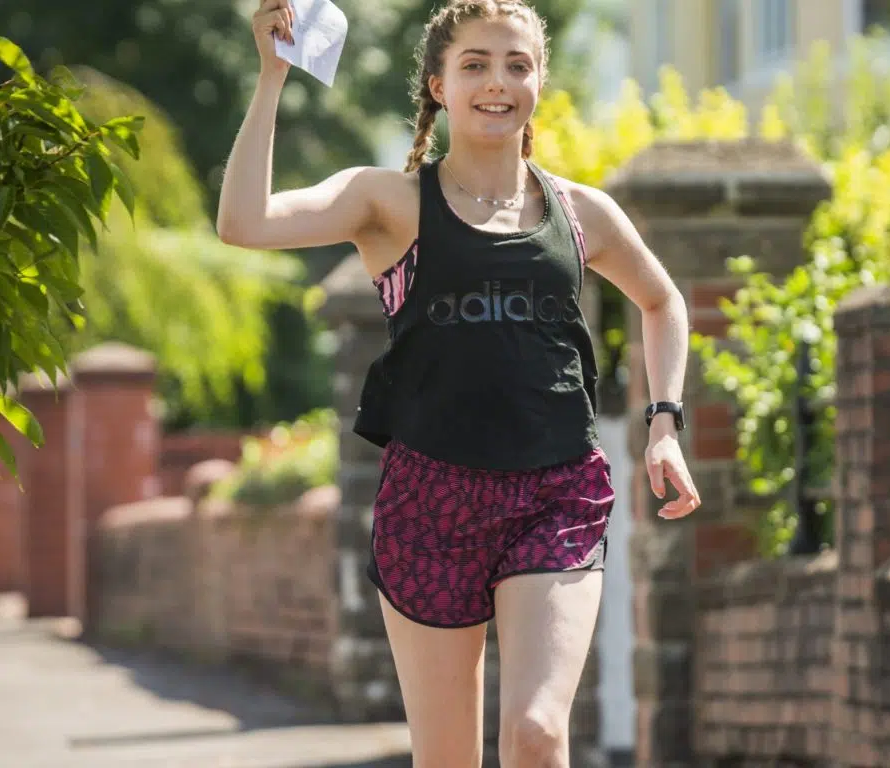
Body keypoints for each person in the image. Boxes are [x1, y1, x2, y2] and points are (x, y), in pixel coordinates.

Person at [218, 1, 701, 765]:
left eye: (516, 64)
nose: (496, 82)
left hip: (558, 494)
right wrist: (273, 77)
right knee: (447, 758)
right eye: (474, 64)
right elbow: (243, 223)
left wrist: (665, 425)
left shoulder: (580, 212)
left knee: (539, 733)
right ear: (439, 85)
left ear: (539, 80)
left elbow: (663, 300)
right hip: (430, 501)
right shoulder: (390, 202)